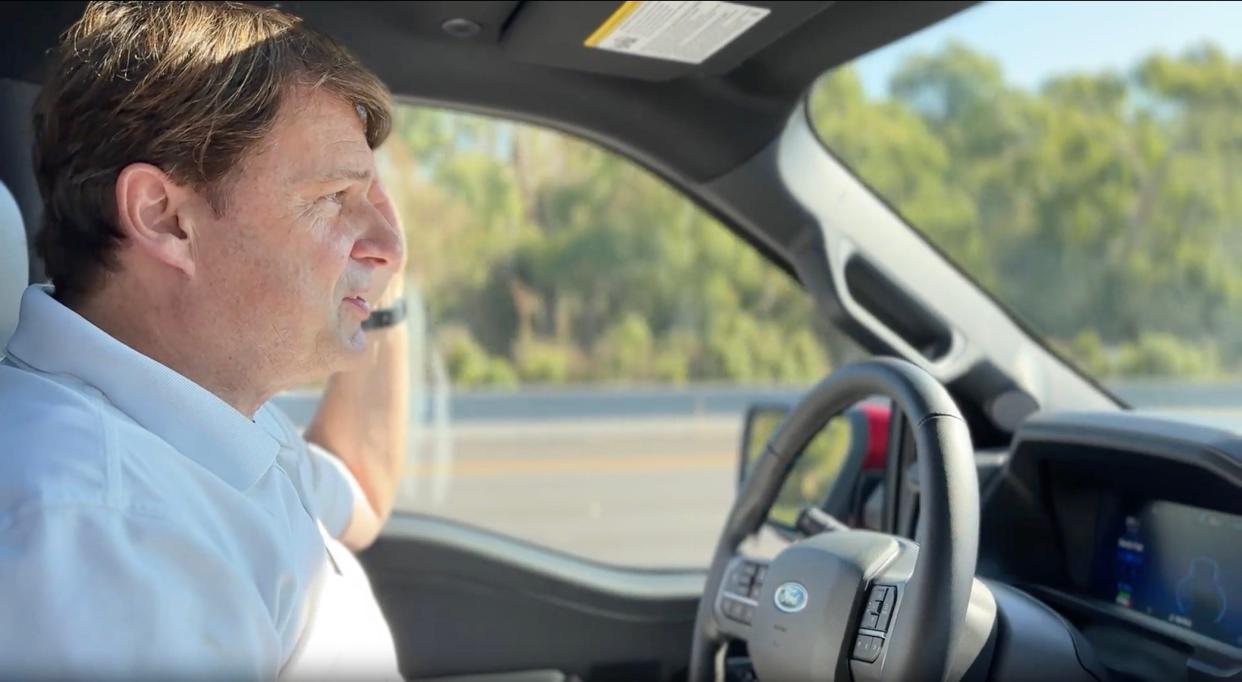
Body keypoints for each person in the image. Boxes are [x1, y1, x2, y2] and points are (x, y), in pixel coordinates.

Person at [0, 2, 410, 679]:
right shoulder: (100, 530)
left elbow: (357, 492)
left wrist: (373, 294)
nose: (392, 247)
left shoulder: (199, 410)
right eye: (336, 195)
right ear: (165, 219)